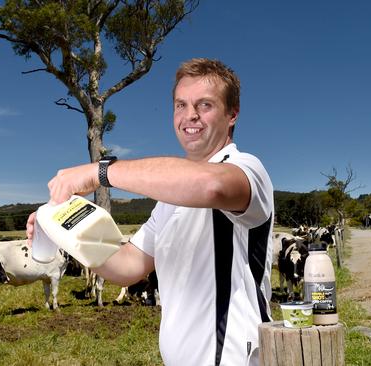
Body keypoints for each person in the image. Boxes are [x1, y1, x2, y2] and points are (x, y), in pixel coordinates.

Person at [27, 58, 274, 366]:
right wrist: (62, 229)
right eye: (180, 105)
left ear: (232, 114)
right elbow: (128, 267)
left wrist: (99, 172)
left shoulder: (247, 169)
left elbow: (212, 186)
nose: (190, 115)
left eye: (205, 105)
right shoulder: (169, 201)